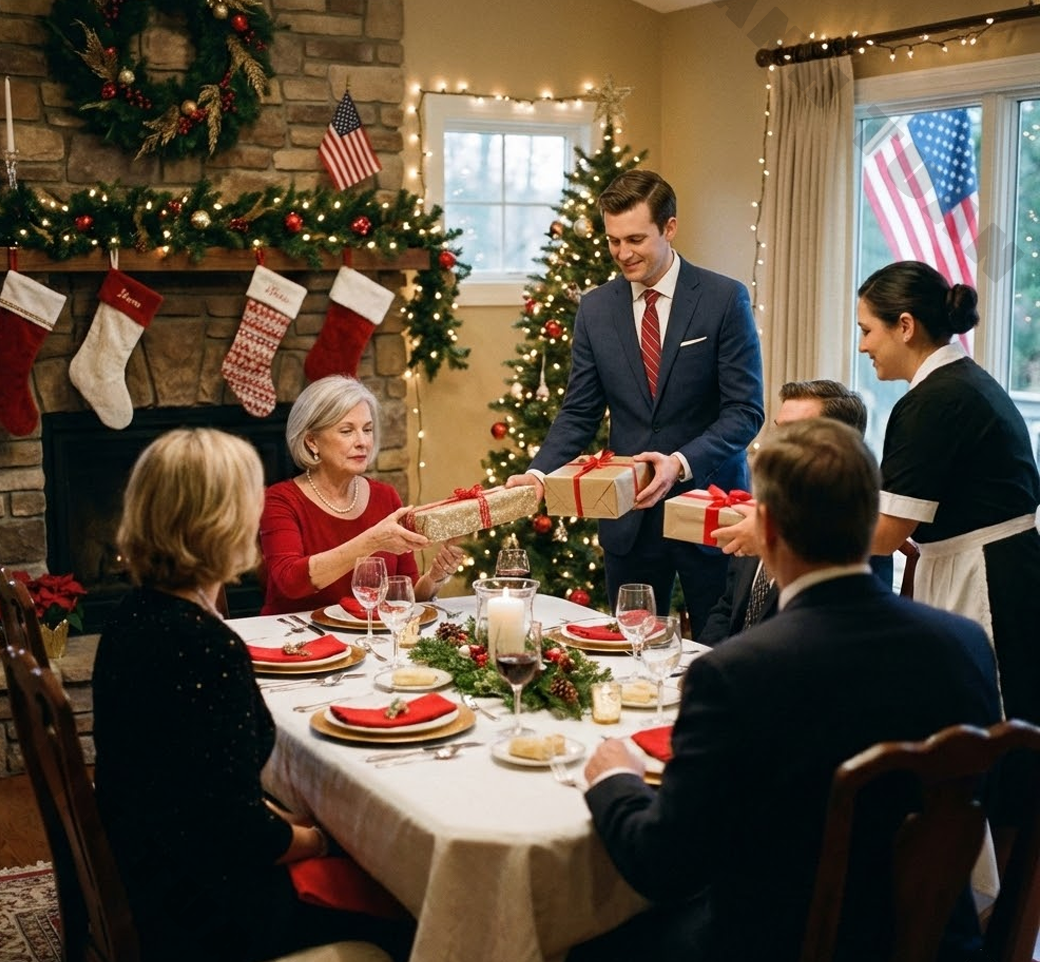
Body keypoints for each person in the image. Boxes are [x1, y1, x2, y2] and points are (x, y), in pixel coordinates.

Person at [562, 418, 1000, 962]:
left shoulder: (737, 674)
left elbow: (665, 865)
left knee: (588, 950)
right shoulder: (963, 644)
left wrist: (616, 780)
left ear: (765, 529)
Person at [92, 428, 410, 962]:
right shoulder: (207, 648)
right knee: (406, 897)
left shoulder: (131, 617)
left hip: (144, 874)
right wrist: (325, 841)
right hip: (204, 915)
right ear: (222, 524)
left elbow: (204, 790)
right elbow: (240, 834)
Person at [857, 260, 1040, 962]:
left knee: (985, 754)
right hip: (982, 565)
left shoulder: (931, 402)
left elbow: (884, 532)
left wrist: (775, 533)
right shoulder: (960, 385)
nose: (863, 346)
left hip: (989, 585)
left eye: (868, 330)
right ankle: (979, 936)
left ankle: (987, 957)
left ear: (906, 327)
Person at [506, 169, 763, 637]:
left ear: (669, 228)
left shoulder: (724, 299)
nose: (622, 254)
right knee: (631, 647)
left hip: (708, 510)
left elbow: (745, 412)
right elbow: (579, 410)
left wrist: (680, 463)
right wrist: (540, 472)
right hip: (628, 519)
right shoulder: (595, 308)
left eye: (636, 239)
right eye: (613, 241)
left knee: (720, 647)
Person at [699, 378, 892, 644]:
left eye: (793, 434)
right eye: (778, 432)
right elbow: (727, 608)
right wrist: (703, 661)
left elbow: (831, 639)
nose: (773, 446)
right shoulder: (763, 509)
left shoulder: (855, 533)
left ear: (839, 445)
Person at [260, 375, 462, 615]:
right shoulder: (280, 499)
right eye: (347, 431)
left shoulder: (385, 496)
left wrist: (435, 577)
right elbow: (290, 580)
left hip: (367, 638)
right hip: (296, 641)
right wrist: (373, 541)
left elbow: (406, 598)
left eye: (367, 429)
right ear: (312, 441)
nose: (363, 442)